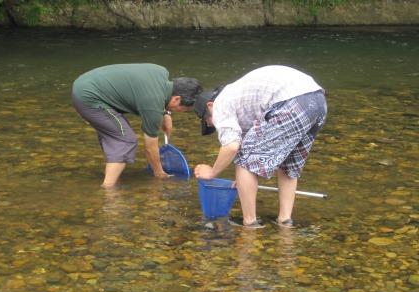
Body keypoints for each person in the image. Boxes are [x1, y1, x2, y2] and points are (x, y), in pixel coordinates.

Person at [193, 65, 327, 229]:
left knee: (244, 161)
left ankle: (250, 223)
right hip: (317, 101)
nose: (212, 124)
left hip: (291, 101)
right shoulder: (239, 98)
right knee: (289, 164)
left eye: (208, 120)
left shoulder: (220, 103)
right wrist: (244, 182)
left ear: (209, 106)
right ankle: (285, 221)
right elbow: (254, 143)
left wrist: (212, 172)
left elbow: (232, 147)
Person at [72, 63, 202, 188]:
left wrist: (166, 113)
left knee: (115, 132)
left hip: (86, 83)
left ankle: (114, 172)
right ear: (176, 99)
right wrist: (159, 173)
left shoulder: (160, 71)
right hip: (89, 97)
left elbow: (157, 96)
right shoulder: (153, 106)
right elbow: (150, 147)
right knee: (125, 140)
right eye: (183, 109)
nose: (180, 112)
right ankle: (108, 189)